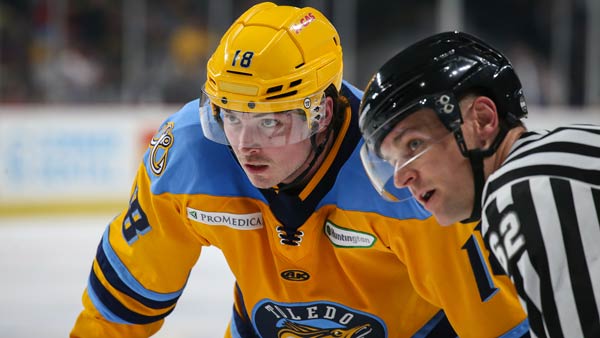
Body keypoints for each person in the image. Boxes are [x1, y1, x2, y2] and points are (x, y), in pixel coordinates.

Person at [70, 4, 530, 337]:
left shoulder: (407, 172)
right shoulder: (189, 155)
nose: (245, 144)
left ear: (322, 114)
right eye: (230, 115)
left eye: (270, 121)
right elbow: (117, 314)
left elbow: (497, 326)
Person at [358, 30, 600, 338]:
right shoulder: (564, 153)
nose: (401, 177)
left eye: (414, 144)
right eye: (392, 160)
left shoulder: (526, 192)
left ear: (482, 120)